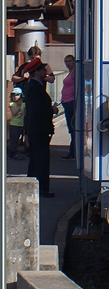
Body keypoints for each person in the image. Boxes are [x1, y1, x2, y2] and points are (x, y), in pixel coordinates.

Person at [23, 56, 56, 197]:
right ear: (36, 72)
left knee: (37, 158)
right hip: (38, 128)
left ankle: (34, 187)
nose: (45, 71)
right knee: (40, 159)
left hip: (38, 127)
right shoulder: (33, 87)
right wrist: (52, 110)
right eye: (42, 69)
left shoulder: (36, 86)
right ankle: (41, 188)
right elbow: (37, 109)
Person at [60, 53, 76, 159]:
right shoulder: (70, 73)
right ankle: (73, 150)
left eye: (70, 61)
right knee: (71, 128)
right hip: (66, 102)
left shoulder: (74, 72)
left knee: (73, 127)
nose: (68, 63)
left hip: (71, 102)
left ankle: (73, 151)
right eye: (66, 61)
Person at [7, 87, 26, 160]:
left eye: (17, 95)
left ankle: (20, 151)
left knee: (19, 139)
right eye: (14, 95)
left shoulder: (24, 104)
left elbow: (24, 114)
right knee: (14, 140)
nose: (15, 97)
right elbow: (14, 113)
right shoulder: (12, 104)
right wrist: (18, 106)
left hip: (21, 124)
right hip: (14, 125)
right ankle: (12, 153)